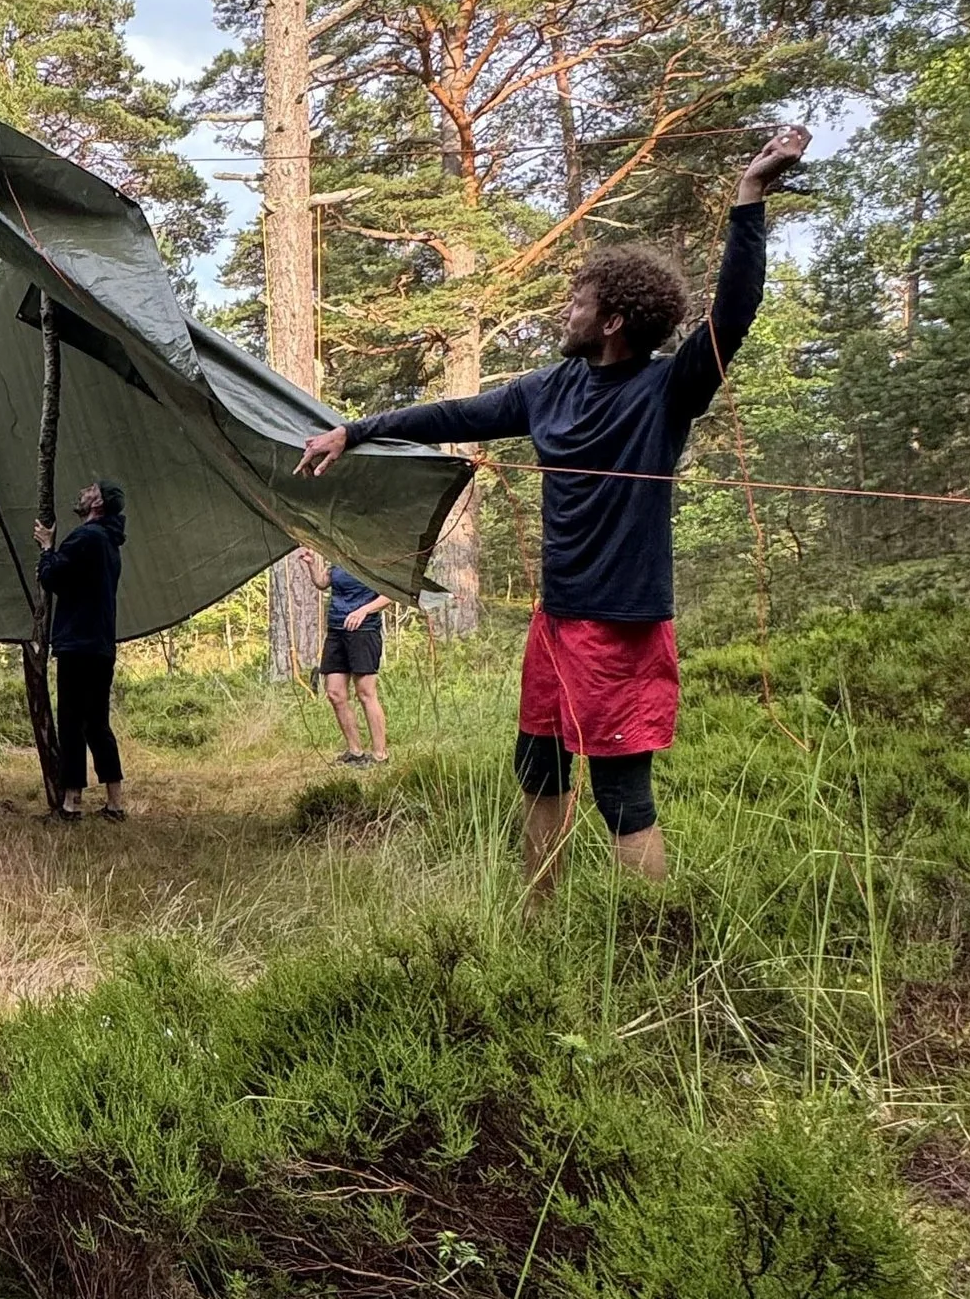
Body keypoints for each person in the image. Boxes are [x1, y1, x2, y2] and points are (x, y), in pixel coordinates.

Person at [298, 124, 810, 887]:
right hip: (558, 617)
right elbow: (454, 416)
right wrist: (355, 431)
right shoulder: (550, 389)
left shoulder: (667, 389)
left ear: (611, 321)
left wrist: (748, 198)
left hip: (624, 625)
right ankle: (540, 922)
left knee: (621, 793)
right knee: (538, 768)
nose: (563, 311)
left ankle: (653, 933)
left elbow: (728, 317)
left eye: (578, 301)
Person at [31, 478, 129, 820]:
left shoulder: (86, 537)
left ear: (97, 505)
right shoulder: (109, 543)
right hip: (101, 644)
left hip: (77, 643)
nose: (84, 490)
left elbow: (53, 577)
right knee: (97, 722)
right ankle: (115, 803)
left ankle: (71, 803)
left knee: (72, 722)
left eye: (91, 488)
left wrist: (47, 547)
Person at [304, 546, 391, 767]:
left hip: (364, 632)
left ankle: (380, 755)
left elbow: (390, 595)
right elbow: (323, 583)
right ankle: (355, 752)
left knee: (365, 693)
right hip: (336, 630)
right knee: (334, 693)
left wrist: (364, 611)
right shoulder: (338, 558)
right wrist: (312, 563)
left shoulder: (373, 559)